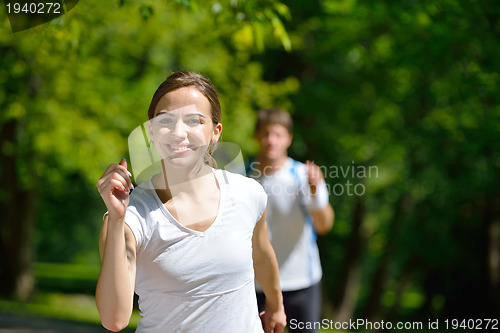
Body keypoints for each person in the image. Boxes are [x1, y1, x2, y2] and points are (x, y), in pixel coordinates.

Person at [95, 71, 286, 333]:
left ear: (215, 132)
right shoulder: (130, 216)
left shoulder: (248, 193)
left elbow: (262, 256)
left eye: (194, 121)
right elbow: (114, 320)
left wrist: (276, 305)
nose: (178, 132)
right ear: (151, 131)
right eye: (166, 120)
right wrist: (116, 221)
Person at [247, 108, 334, 333]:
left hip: (302, 283)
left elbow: (324, 225)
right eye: (265, 134)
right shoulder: (241, 177)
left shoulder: (305, 175)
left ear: (289, 138)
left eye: (277, 134)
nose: (270, 140)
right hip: (257, 286)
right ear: (256, 137)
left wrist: (315, 193)